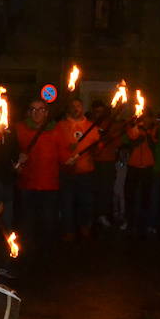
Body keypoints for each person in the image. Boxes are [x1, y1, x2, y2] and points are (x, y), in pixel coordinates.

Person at [14, 98, 65, 261]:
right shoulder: (19, 128)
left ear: (46, 112)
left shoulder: (56, 130)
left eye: (41, 109)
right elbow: (10, 152)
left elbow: (64, 155)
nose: (37, 113)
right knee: (27, 221)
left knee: (48, 221)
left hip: (49, 184)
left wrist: (69, 159)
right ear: (29, 111)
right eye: (33, 109)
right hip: (27, 184)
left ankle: (47, 253)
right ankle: (26, 252)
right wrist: (16, 158)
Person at [58, 98, 98, 240]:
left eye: (79, 106)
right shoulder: (61, 126)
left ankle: (85, 226)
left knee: (86, 201)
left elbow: (97, 149)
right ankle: (68, 230)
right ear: (69, 108)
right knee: (66, 202)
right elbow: (55, 145)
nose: (76, 108)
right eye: (73, 106)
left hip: (85, 171)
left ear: (82, 108)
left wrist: (95, 148)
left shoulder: (91, 126)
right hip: (66, 171)